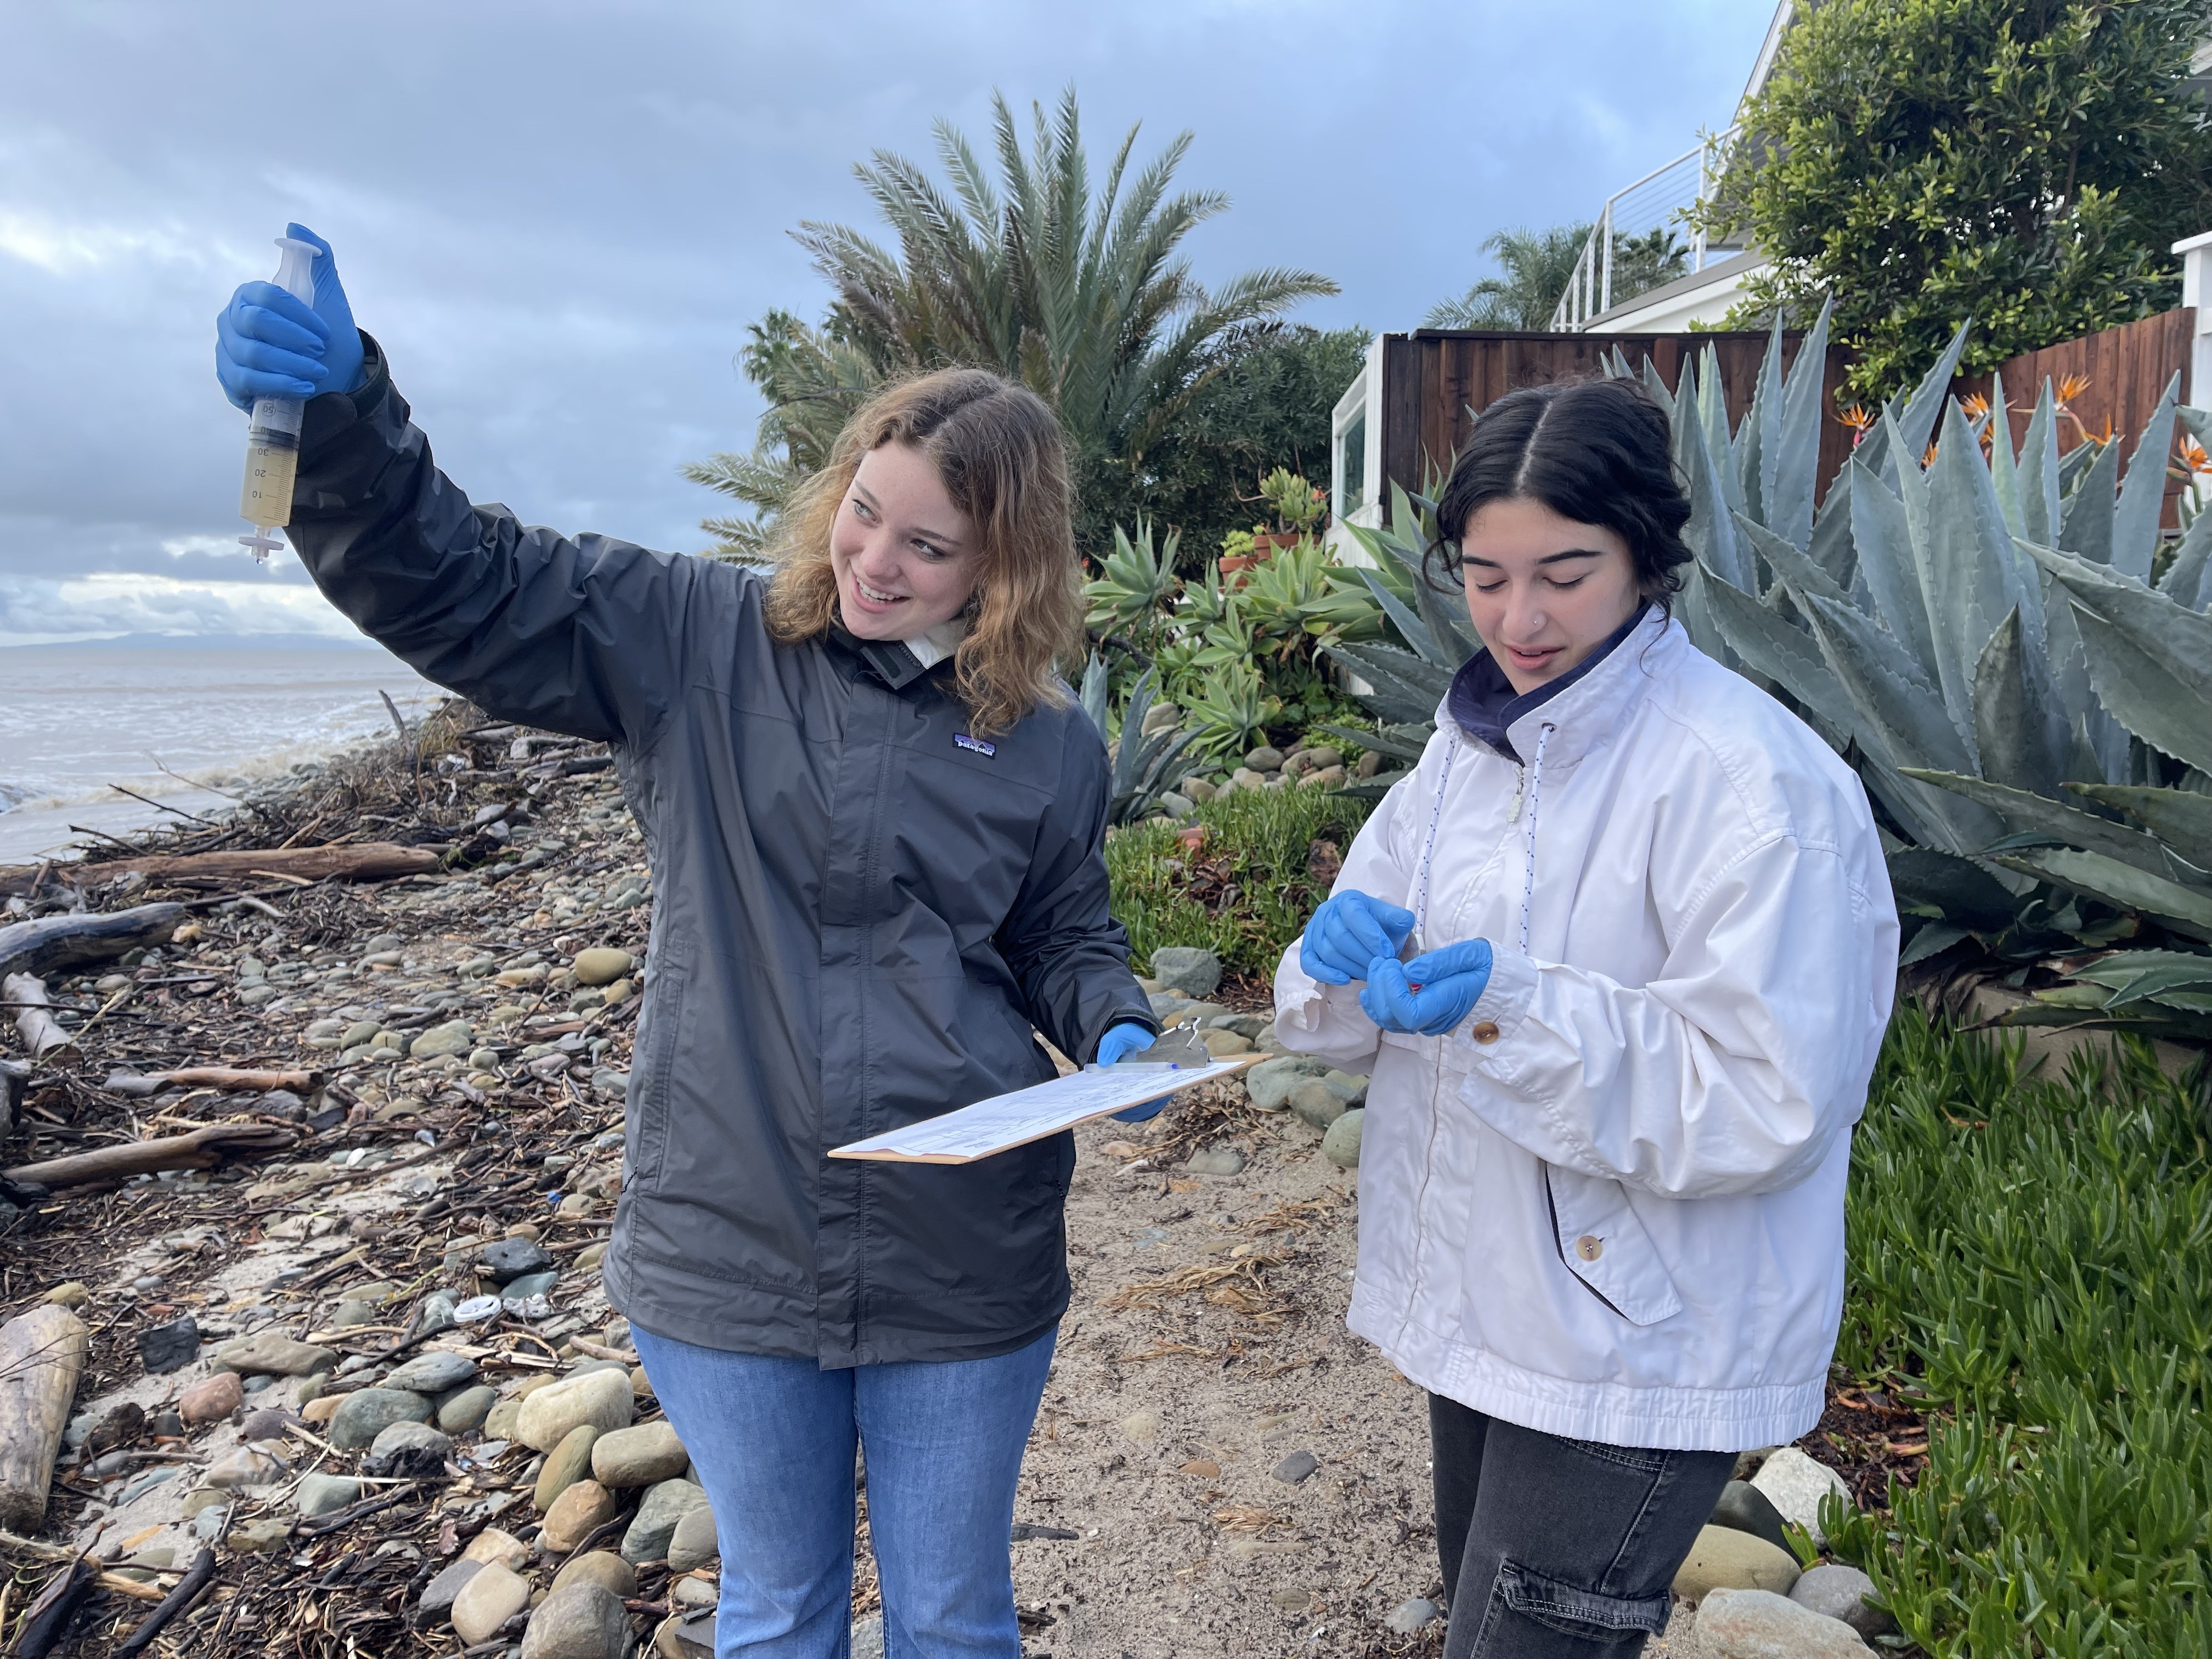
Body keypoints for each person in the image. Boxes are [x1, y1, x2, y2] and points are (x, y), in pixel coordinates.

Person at [215, 225, 1175, 1659]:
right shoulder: (692, 637)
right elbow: (464, 584)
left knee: (957, 1619)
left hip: (967, 1254)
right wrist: (349, 422)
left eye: (929, 547)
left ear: (1005, 566)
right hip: (730, 1242)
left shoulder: (1044, 743)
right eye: (867, 513)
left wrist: (1111, 1019)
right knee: (780, 1613)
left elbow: (1058, 930)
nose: (877, 562)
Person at [1276, 378, 1897, 1658]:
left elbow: (1768, 1096)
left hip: (1639, 1348)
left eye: (1565, 571)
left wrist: (1505, 1004)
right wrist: (1328, 967)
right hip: (1489, 1309)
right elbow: (1339, 1022)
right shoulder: (1468, 752)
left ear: (1647, 553)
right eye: (1485, 576)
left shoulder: (1753, 785)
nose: (1520, 618)